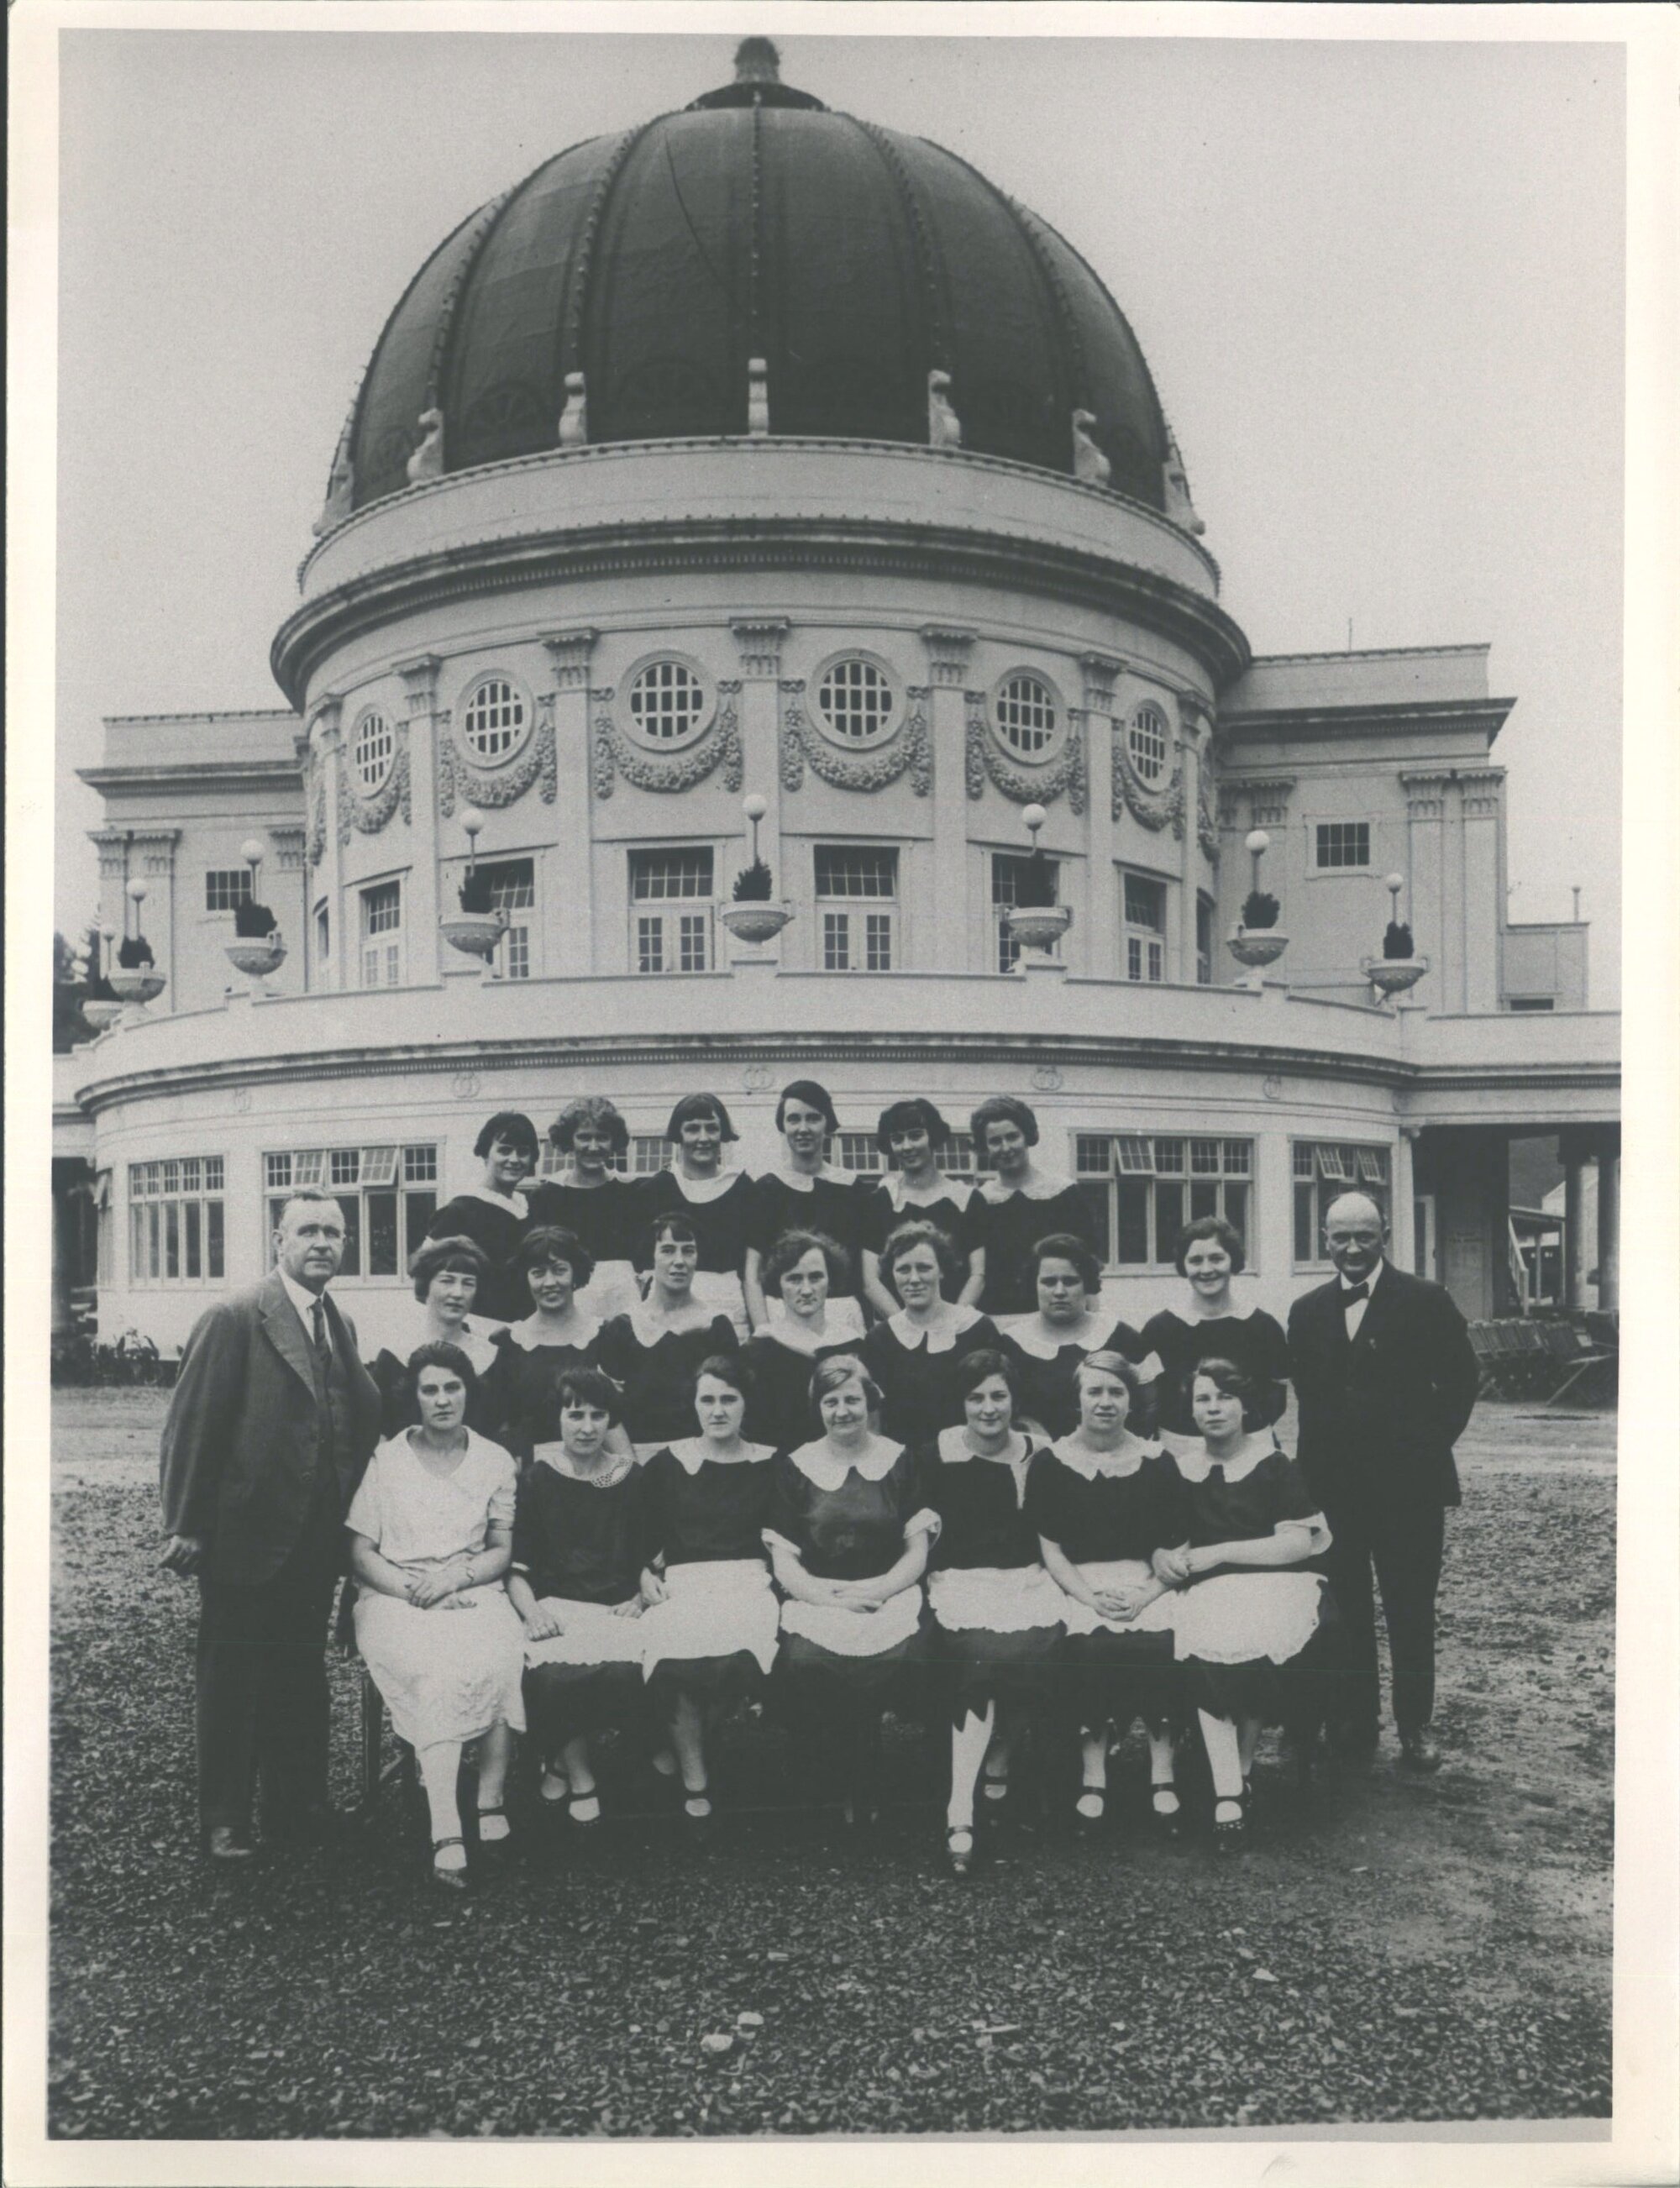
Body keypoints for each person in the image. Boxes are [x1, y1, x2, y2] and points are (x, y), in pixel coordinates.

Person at [159, 1188, 383, 1859]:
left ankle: (296, 1807)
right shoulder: (234, 1316)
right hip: (247, 1533)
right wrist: (185, 1523)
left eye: (333, 1233)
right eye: (307, 1230)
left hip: (315, 1538)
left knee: (299, 1671)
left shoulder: (338, 1320)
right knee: (232, 1676)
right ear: (279, 1241)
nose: (322, 1243)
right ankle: (225, 1819)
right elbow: (192, 1425)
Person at [1286, 1191, 1478, 1772]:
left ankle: (1415, 1726)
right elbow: (1311, 1403)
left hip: (1408, 1492)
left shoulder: (1426, 1299)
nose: (1352, 1248)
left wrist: (1424, 1448)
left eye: (1364, 1236)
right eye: (1341, 1237)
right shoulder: (1306, 1310)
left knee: (1410, 1607)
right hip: (1336, 1492)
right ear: (1324, 1238)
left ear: (1385, 1235)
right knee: (1347, 1608)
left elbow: (1462, 1381)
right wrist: (1307, 1489)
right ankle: (1356, 1719)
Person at [346, 1342, 525, 1891]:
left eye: (452, 1387)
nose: (443, 1399)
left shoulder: (494, 1460)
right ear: (415, 1396)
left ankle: (490, 1798)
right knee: (436, 1669)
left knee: (500, 1652)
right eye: (430, 1389)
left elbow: (500, 1548)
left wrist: (454, 1579)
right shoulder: (387, 1461)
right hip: (395, 1595)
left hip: (471, 1587)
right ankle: (445, 1825)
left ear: (468, 1391)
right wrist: (417, 1590)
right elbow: (360, 1553)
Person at [1152, 1361, 1336, 1848]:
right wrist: (1163, 1556)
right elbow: (1170, 1540)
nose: (1214, 1409)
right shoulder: (1182, 1470)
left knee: (1252, 1638)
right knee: (1207, 1638)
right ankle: (1229, 1791)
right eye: (1203, 1399)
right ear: (1191, 1411)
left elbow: (1297, 1544)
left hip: (1275, 1584)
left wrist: (1221, 1553)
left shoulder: (1273, 1465)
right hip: (1207, 1591)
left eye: (1225, 1398)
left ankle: (1241, 1770)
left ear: (1246, 1407)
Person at [764, 1355, 938, 1821]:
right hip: (819, 1595)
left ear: (870, 1401)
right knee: (805, 1659)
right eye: (831, 1402)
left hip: (888, 1592)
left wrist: (879, 1591)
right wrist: (826, 1598)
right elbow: (784, 1558)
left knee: (912, 1656)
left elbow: (917, 1550)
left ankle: (874, 1765)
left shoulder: (899, 1459)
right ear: (817, 1407)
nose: (842, 1411)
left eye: (852, 1400)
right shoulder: (795, 1466)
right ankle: (830, 1768)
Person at [1026, 1352, 1186, 1838]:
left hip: (1145, 1582)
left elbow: (1178, 1543)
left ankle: (1163, 1771)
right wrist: (1090, 1598)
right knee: (1086, 1646)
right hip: (1078, 1583)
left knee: (1166, 1643)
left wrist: (1147, 1595)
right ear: (1077, 1399)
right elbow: (1051, 1549)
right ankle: (1093, 1773)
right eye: (1094, 1391)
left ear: (1132, 1401)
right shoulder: (1051, 1463)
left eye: (1116, 1392)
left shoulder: (1158, 1461)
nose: (1105, 1402)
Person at [925, 1349, 1067, 1876]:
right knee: (981, 1659)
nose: (988, 1408)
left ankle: (1001, 1757)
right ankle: (960, 1807)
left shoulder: (1040, 1454)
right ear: (961, 1403)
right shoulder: (936, 1455)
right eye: (976, 1397)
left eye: (999, 1396)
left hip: (1027, 1580)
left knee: (1040, 1649)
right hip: (961, 1582)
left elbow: (1054, 1531)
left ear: (1014, 1399)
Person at [638, 1356, 780, 1833]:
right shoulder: (668, 1464)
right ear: (694, 1405)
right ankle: (696, 1777)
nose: (718, 1410)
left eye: (729, 1399)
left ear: (746, 1404)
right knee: (672, 1644)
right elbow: (640, 1536)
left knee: (739, 1649)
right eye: (708, 1400)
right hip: (684, 1582)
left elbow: (784, 1539)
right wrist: (643, 1574)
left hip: (749, 1581)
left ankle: (688, 1742)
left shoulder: (771, 1464)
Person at [507, 1366, 648, 1833]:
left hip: (616, 1606)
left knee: (627, 1672)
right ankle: (583, 1775)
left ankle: (562, 1764)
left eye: (597, 1415)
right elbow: (517, 1568)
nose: (587, 1427)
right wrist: (533, 1612)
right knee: (552, 1677)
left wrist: (640, 1596)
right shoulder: (537, 1480)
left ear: (611, 1421)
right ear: (558, 1419)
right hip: (559, 1607)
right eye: (575, 1415)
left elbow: (652, 1556)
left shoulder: (630, 1479)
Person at [596, 1215, 739, 1457]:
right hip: (638, 1457)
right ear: (651, 1257)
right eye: (668, 1250)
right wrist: (631, 1467)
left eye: (688, 1251)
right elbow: (607, 1410)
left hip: (702, 1457)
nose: (679, 1261)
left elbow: (731, 1403)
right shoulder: (622, 1328)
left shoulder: (716, 1326)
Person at [478, 1225, 619, 1469]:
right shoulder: (508, 1343)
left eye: (559, 1270)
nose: (549, 1282)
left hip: (596, 1469)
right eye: (538, 1273)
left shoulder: (604, 1335)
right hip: (530, 1472)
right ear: (526, 1277)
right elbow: (498, 1423)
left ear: (576, 1273)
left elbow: (617, 1420)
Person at [1140, 1215, 1289, 1441]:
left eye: (1217, 1259)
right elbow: (1149, 1402)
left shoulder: (1263, 1327)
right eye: (1196, 1260)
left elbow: (1276, 1402)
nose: (1206, 1269)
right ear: (1183, 1265)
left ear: (1233, 1260)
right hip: (1179, 1451)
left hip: (1250, 1448)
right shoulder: (1160, 1330)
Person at [1000, 1232, 1158, 1441]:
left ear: (1087, 1283)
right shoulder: (1010, 1343)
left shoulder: (1122, 1337)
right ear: (1034, 1284)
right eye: (1048, 1282)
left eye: (1070, 1281)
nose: (1059, 1291)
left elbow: (1151, 1406)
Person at [861, 1221, 1000, 1446]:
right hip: (905, 1459)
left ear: (941, 1270)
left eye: (924, 1268)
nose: (914, 1279)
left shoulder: (977, 1329)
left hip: (968, 1454)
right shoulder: (879, 1339)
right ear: (892, 1274)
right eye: (903, 1269)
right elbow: (874, 1418)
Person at [631, 1094, 756, 1340]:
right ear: (678, 1134)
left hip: (729, 1310)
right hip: (667, 1313)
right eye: (693, 1129)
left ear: (723, 1133)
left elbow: (752, 1271)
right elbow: (642, 1266)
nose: (703, 1138)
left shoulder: (743, 1189)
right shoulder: (655, 1190)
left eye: (712, 1128)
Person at [744, 1081, 869, 1325]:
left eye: (813, 1118)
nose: (803, 1129)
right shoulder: (765, 1190)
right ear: (783, 1126)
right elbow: (752, 1274)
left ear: (827, 1123)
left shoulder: (853, 1189)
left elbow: (867, 1276)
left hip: (842, 1317)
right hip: (783, 1318)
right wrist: (763, 1332)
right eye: (793, 1119)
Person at [969, 1095, 1101, 1318]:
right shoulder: (979, 1201)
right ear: (985, 1146)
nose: (1005, 1148)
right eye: (995, 1141)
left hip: (1057, 1316)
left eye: (1012, 1137)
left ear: (1027, 1136)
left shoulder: (1065, 1193)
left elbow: (1088, 1263)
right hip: (998, 1318)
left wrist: (1092, 1314)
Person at [739, 1229, 868, 1451]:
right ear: (779, 1283)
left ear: (830, 1279)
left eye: (816, 1277)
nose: (806, 1290)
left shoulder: (852, 1344)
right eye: (794, 1279)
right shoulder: (758, 1351)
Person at [858, 1098, 984, 1318]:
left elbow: (978, 1275)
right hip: (896, 1326)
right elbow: (870, 1280)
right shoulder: (881, 1201)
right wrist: (903, 1326)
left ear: (932, 1136)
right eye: (898, 1139)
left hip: (956, 1325)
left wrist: (953, 1323)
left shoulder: (967, 1199)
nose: (907, 1146)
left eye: (915, 1136)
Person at [367, 1236, 501, 1439]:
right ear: (426, 1285)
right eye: (447, 1281)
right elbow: (378, 1430)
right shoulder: (394, 1355)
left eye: (468, 1283)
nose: (458, 1293)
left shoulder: (492, 1357)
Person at [526, 1096, 638, 1319]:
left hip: (623, 1303)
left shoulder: (630, 1192)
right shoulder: (548, 1196)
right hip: (568, 1303)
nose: (593, 1147)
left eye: (602, 1138)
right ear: (569, 1139)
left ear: (613, 1141)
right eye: (584, 1137)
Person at [423, 1111, 540, 1324]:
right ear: (486, 1154)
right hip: (481, 1331)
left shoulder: (529, 1209)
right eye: (504, 1150)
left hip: (525, 1332)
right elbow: (424, 1282)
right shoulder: (460, 1212)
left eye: (523, 1152)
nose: (514, 1159)